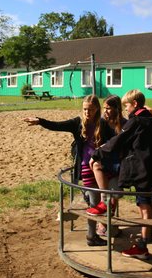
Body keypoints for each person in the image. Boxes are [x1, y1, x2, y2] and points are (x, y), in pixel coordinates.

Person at [23, 94, 115, 247]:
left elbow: (115, 139)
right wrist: (40, 121)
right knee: (94, 204)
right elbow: (57, 125)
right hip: (86, 167)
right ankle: (91, 237)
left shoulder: (103, 124)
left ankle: (103, 229)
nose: (87, 112)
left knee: (104, 202)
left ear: (97, 109)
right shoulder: (77, 123)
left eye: (91, 109)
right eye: (85, 109)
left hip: (101, 167)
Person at [92, 89, 152, 259]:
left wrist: (97, 153)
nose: (126, 109)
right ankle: (145, 239)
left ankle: (142, 247)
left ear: (135, 104)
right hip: (151, 168)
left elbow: (119, 141)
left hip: (142, 170)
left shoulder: (136, 121)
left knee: (144, 207)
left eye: (127, 106)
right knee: (146, 204)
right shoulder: (151, 120)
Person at [88, 95, 128, 237]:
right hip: (106, 160)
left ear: (117, 108)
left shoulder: (124, 123)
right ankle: (103, 224)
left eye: (109, 108)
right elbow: (99, 143)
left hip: (118, 162)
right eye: (104, 108)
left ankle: (108, 224)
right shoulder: (103, 122)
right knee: (106, 192)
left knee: (115, 194)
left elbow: (121, 144)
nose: (106, 111)